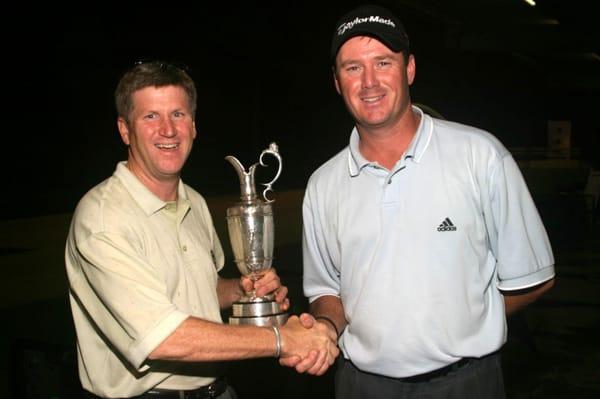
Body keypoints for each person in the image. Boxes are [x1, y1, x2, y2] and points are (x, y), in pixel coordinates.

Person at [296, 4, 555, 398]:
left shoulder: (479, 155)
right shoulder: (323, 185)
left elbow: (532, 279)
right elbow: (326, 290)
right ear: (336, 82)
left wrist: (467, 323)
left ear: (410, 69)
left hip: (467, 383)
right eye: (352, 68)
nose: (369, 81)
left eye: (383, 62)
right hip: (360, 386)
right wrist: (327, 328)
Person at [65, 60, 338, 398]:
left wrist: (240, 289)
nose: (168, 129)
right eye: (151, 116)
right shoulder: (103, 218)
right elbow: (162, 338)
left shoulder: (193, 202)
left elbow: (201, 290)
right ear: (125, 129)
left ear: (193, 126)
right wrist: (284, 339)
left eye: (178, 115)